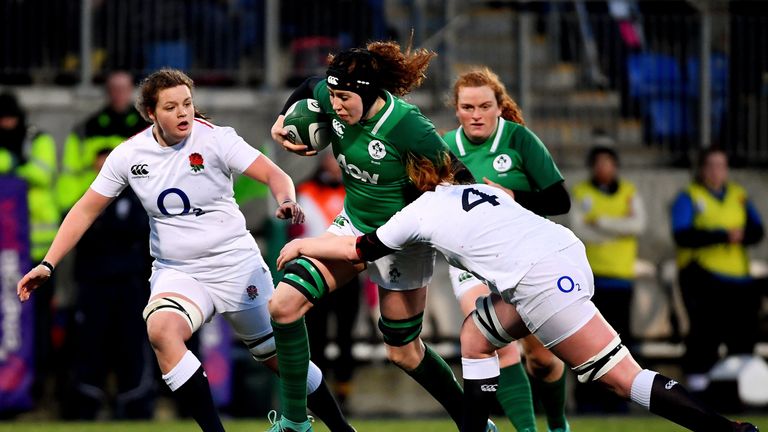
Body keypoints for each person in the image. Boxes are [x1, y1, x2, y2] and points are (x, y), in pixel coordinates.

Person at [276, 153, 761, 432]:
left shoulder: (417, 210)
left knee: (620, 376)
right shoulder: (483, 189)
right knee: (476, 337)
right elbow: (514, 204)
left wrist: (304, 243)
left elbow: (360, 248)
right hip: (565, 253)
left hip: (540, 281)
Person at [17, 68, 352, 432]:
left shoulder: (216, 140)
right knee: (161, 329)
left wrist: (286, 200)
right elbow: (85, 210)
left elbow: (276, 175)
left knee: (281, 360)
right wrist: (48, 264)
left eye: (188, 104)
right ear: (150, 113)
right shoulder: (129, 155)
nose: (183, 113)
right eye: (171, 106)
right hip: (179, 270)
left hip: (236, 266)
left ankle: (341, 428)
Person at [268, 41, 487, 432]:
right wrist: (282, 118)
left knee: (403, 352)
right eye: (332, 95)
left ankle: (473, 424)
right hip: (353, 225)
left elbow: (457, 177)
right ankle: (295, 422)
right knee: (283, 307)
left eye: (344, 97)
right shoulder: (332, 99)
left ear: (369, 94)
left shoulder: (408, 125)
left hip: (402, 241)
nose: (334, 104)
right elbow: (309, 85)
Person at [443, 67, 570, 432]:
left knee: (543, 360)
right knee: (496, 343)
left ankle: (558, 425)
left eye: (484, 106)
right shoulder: (445, 148)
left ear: (500, 107)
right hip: (470, 262)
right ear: (457, 109)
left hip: (524, 257)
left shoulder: (519, 140)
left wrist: (514, 197)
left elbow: (560, 200)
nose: (476, 114)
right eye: (468, 107)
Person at [63, 148, 155, 419]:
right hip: (93, 287)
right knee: (90, 347)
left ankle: (136, 406)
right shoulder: (86, 202)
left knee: (132, 347)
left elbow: (141, 237)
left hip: (130, 286)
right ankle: (86, 406)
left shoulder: (139, 201)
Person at [671, 147, 764, 399]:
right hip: (702, 275)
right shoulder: (689, 196)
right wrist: (723, 235)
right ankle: (699, 393)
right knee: (704, 335)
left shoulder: (738, 195)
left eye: (721, 165)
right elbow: (683, 235)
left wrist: (742, 236)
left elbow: (758, 230)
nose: (716, 171)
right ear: (701, 168)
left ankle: (738, 392)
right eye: (711, 165)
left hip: (738, 277)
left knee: (743, 338)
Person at [570, 144, 646, 413]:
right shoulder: (582, 193)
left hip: (622, 279)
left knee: (620, 343)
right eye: (599, 163)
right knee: (586, 344)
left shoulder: (628, 193)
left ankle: (620, 401)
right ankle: (588, 402)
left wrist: (601, 222)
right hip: (592, 280)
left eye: (608, 163)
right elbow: (581, 231)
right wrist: (618, 227)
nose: (604, 169)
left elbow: (637, 226)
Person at [0, 91, 60, 404]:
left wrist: (9, 165)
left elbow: (42, 173)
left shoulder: (39, 139)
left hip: (39, 254)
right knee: (12, 323)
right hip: (7, 253)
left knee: (39, 324)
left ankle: (39, 389)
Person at [293, 151, 362, 411]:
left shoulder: (355, 192)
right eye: (331, 161)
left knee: (346, 338)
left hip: (348, 273)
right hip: (315, 271)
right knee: (316, 338)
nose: (334, 167)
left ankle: (344, 394)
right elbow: (295, 230)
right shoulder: (304, 191)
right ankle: (317, 396)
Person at [57, 70, 149, 213]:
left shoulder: (146, 126)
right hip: (94, 197)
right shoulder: (87, 127)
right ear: (107, 91)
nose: (119, 94)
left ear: (131, 90)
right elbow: (71, 170)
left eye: (123, 89)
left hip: (136, 199)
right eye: (114, 89)